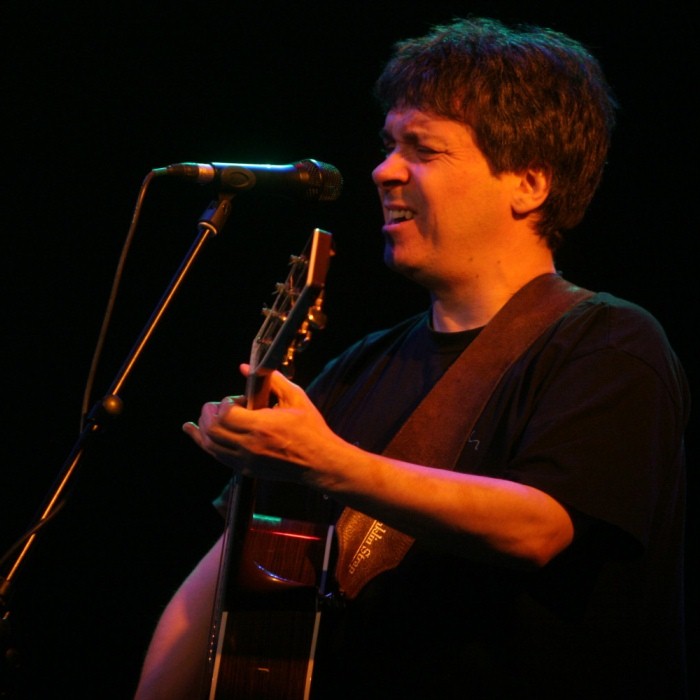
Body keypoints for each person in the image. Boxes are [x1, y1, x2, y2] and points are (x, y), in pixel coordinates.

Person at [133, 16, 689, 699]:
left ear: (529, 183)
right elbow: (219, 582)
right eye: (389, 145)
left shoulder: (608, 343)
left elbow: (538, 527)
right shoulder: (359, 367)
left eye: (422, 149)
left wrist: (329, 463)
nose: (383, 170)